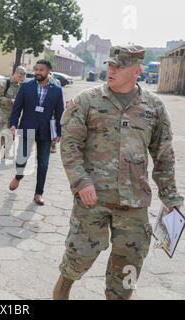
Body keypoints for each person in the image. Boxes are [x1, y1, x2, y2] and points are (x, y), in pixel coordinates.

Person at [54, 45, 184, 300]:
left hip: (134, 204)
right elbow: (70, 145)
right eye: (110, 65)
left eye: (119, 66)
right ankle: (63, 289)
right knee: (78, 257)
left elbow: (164, 156)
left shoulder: (154, 107)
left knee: (128, 269)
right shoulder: (87, 100)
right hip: (93, 200)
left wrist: (171, 199)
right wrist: (81, 182)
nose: (111, 70)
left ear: (136, 71)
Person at [8, 59, 64, 206]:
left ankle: (39, 193)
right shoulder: (26, 87)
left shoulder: (57, 90)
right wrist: (13, 124)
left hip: (46, 131)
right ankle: (18, 177)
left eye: (41, 70)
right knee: (22, 158)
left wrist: (59, 131)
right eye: (36, 69)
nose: (38, 72)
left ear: (48, 71)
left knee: (44, 163)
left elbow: (60, 113)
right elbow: (17, 108)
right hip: (28, 127)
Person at [0, 66, 26, 159]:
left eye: (22, 78)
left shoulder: (20, 86)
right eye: (20, 77)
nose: (21, 79)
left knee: (12, 134)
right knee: (5, 134)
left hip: (14, 116)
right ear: (15, 74)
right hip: (3, 115)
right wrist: (10, 101)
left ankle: (6, 153)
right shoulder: (4, 83)